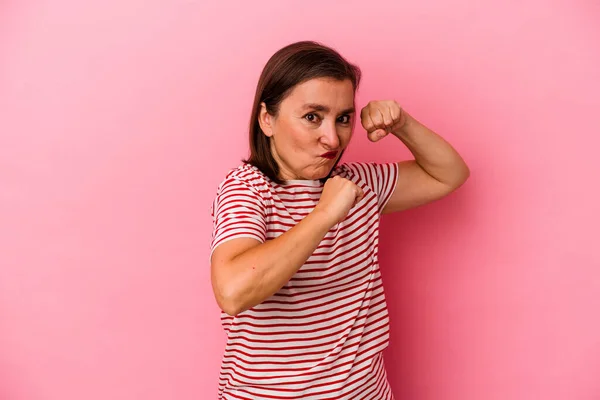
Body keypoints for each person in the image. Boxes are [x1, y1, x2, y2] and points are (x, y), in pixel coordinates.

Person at [209, 41, 470, 400]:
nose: (332, 139)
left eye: (343, 118)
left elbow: (448, 175)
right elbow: (233, 292)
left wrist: (403, 124)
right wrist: (325, 214)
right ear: (267, 119)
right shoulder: (247, 190)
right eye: (312, 117)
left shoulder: (357, 183)